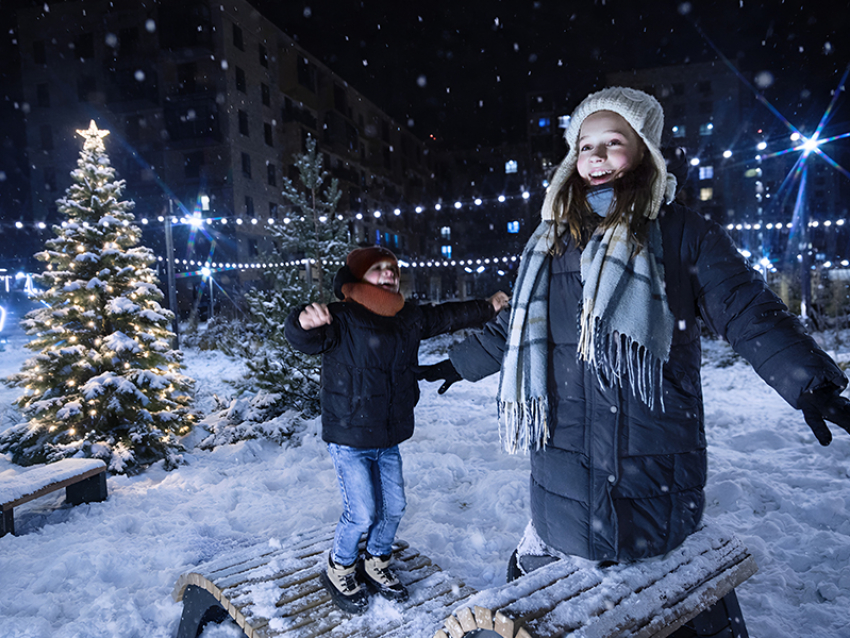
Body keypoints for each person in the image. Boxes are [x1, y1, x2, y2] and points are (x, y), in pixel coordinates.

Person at [417, 86, 850, 637]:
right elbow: (518, 327)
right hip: (565, 463)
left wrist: (808, 380)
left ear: (644, 150)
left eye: (613, 141)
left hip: (653, 452)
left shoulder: (682, 234)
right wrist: (457, 362)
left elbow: (745, 306)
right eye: (585, 144)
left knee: (675, 601)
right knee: (554, 593)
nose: (595, 156)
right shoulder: (552, 240)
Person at [284, 246, 509, 614]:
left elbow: (445, 316)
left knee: (395, 507)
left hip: (388, 435)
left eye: (392, 268)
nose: (388, 273)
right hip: (349, 436)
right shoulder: (340, 317)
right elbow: (303, 338)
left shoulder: (406, 318)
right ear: (358, 277)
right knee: (361, 513)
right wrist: (301, 322)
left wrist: (487, 306)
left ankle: (376, 561)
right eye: (377, 269)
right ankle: (339, 566)